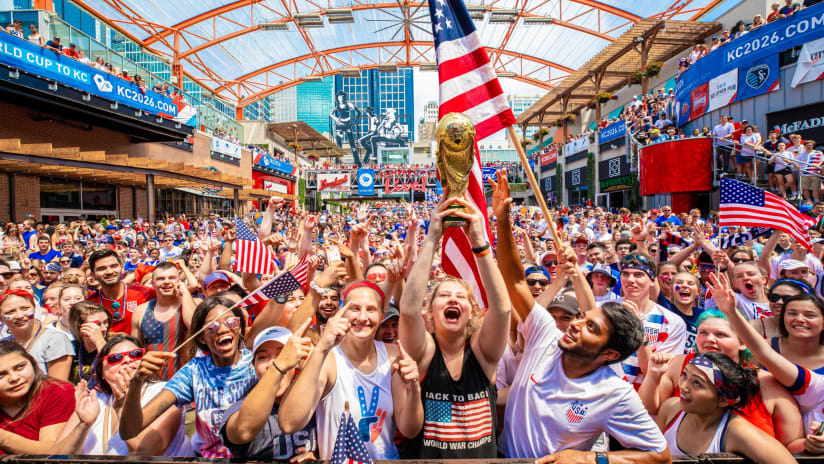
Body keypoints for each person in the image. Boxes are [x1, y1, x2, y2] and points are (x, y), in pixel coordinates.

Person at [493, 184, 669, 461]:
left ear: (610, 354)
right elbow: (516, 281)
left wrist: (591, 459)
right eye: (584, 318)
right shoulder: (546, 337)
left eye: (591, 328)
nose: (575, 325)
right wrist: (503, 221)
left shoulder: (615, 392)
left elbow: (660, 456)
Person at [398, 191, 511, 457]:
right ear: (430, 311)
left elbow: (503, 309)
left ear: (472, 311)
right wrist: (432, 237)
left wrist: (480, 242)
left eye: (461, 296)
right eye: (444, 296)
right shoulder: (424, 354)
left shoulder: (484, 355)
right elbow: (408, 310)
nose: (453, 299)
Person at [278, 281, 423, 459]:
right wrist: (321, 349)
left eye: (371, 310)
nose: (362, 317)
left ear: (381, 315)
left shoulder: (393, 356)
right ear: (342, 313)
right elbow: (288, 423)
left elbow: (410, 429)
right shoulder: (328, 358)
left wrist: (415, 389)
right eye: (354, 309)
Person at [639, 309, 805, 449]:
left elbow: (791, 445)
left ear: (742, 343)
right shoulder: (680, 365)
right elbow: (650, 408)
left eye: (721, 334)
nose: (710, 339)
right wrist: (653, 375)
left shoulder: (766, 383)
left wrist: (812, 444)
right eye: (703, 333)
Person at [120, 296, 256, 458]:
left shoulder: (256, 364)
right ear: (201, 337)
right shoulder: (194, 371)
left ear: (239, 327)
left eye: (231, 322)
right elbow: (130, 430)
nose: (223, 329)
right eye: (212, 326)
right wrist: (136, 382)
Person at [708, 273, 824, 454]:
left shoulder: (818, 385)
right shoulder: (769, 350)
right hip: (769, 436)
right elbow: (762, 353)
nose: (800, 319)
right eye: (792, 313)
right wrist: (730, 312)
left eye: (810, 315)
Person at [655, 352, 796, 462]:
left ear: (722, 400)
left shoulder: (738, 432)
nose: (683, 386)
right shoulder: (670, 409)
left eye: (697, 383)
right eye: (684, 375)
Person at [82, 335, 192, 455]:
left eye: (136, 354)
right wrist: (82, 426)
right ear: (101, 371)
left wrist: (121, 407)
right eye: (116, 358)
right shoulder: (92, 400)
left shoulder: (165, 392)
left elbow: (147, 450)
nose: (127, 360)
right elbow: (61, 452)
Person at [219, 324, 315, 460]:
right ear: (254, 366)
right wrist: (279, 366)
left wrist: (317, 457)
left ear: (297, 363)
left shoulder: (315, 403)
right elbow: (241, 431)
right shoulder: (241, 407)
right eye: (263, 357)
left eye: (282, 354)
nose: (272, 363)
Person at [0, 341, 99, 454]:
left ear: (32, 363)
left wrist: (2, 437)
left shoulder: (56, 392)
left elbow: (51, 453)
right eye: (1, 375)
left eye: (20, 367)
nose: (14, 378)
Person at [131, 262, 196, 380]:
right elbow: (135, 351)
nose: (166, 281)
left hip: (187, 383)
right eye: (161, 279)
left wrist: (185, 293)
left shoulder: (193, 303)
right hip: (152, 384)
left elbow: (194, 325)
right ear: (153, 283)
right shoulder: (140, 311)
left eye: (172, 278)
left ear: (179, 281)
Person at [0, 289, 72, 380]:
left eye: (24, 308)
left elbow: (57, 387)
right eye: (10, 312)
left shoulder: (54, 339)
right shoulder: (3, 345)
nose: (19, 315)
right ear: (1, 318)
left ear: (34, 309)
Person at [87, 249, 149, 334]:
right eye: (101, 268)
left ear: (122, 268)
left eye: (113, 266)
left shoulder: (146, 294)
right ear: (92, 275)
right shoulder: (89, 304)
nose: (109, 272)